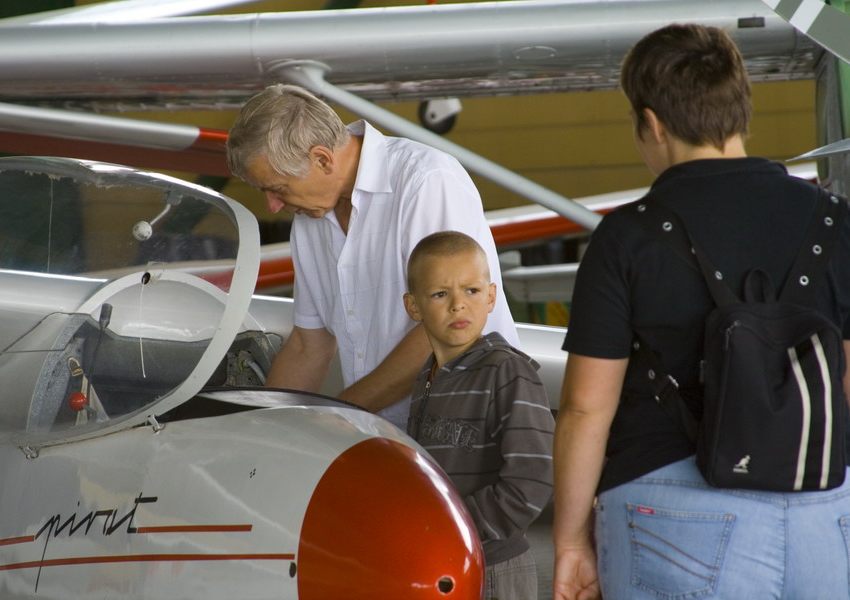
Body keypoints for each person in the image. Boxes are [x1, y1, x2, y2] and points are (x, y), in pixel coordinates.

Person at [552, 24, 850, 600]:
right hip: (826, 510)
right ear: (741, 110)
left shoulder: (626, 237)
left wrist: (568, 542)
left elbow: (586, 407)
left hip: (673, 511)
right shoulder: (837, 221)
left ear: (653, 123)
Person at [226, 84, 519, 429]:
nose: (272, 206)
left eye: (277, 189)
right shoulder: (310, 216)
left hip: (472, 431)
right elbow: (310, 342)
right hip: (389, 441)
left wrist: (343, 412)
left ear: (322, 159)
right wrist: (262, 431)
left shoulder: (426, 180)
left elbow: (445, 327)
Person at [403, 230, 554, 600]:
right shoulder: (427, 377)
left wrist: (449, 527)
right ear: (414, 307)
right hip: (446, 562)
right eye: (441, 294)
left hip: (496, 567)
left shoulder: (507, 371)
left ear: (491, 297)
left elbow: (531, 481)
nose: (458, 305)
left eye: (471, 291)